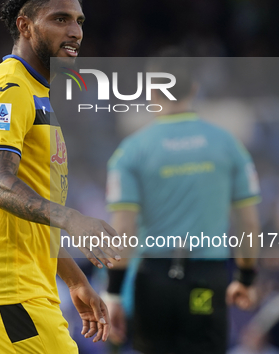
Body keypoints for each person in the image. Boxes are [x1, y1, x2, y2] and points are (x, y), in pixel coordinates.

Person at [0, 0, 122, 353]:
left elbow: (28, 215)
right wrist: (73, 218)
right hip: (3, 288)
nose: (75, 31)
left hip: (17, 288)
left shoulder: (36, 94)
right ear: (25, 26)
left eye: (78, 21)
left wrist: (74, 280)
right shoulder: (8, 88)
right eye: (60, 19)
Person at [104, 70, 261, 354]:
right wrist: (245, 278)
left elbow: (124, 230)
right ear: (194, 89)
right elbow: (248, 223)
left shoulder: (131, 151)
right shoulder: (228, 145)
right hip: (205, 278)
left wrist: (113, 293)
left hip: (154, 279)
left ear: (151, 92)